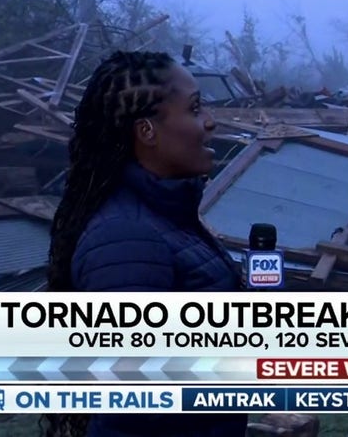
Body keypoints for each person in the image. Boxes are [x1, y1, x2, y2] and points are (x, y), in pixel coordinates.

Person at [43, 51, 248, 437]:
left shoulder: (167, 216)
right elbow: (132, 407)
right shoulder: (125, 238)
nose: (210, 122)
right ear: (147, 132)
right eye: (194, 108)